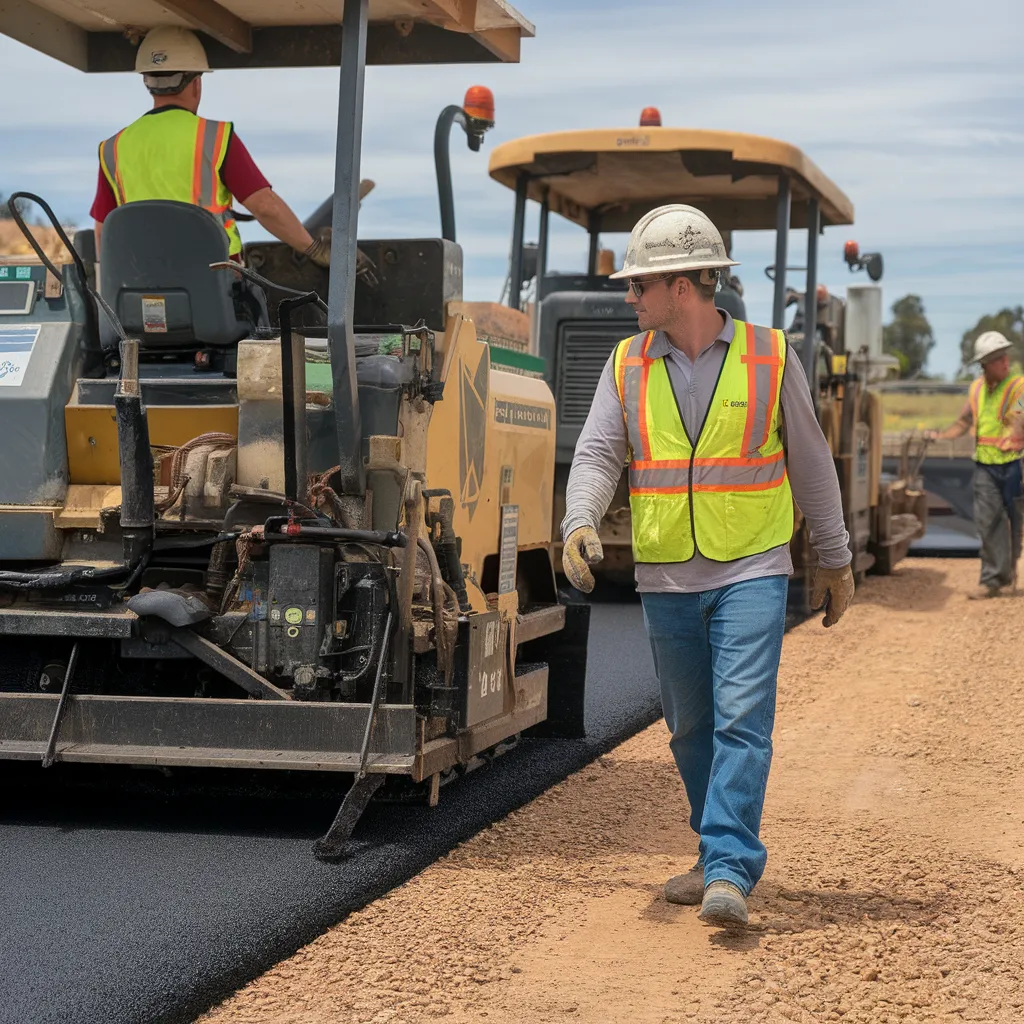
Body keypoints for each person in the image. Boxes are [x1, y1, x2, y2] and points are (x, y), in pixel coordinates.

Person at [560, 204, 854, 928]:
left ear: (683, 286)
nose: (628, 299)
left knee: (743, 721)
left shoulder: (770, 354)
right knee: (691, 727)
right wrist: (579, 521)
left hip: (751, 568)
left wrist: (837, 558)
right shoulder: (627, 363)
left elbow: (811, 460)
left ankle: (729, 866)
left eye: (639, 287)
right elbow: (600, 452)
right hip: (665, 576)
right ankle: (709, 847)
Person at [89, 26, 329, 267]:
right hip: (210, 281)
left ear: (148, 82)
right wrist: (313, 249)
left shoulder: (113, 147)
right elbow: (265, 207)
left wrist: (109, 290)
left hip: (138, 283)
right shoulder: (216, 137)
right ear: (196, 84)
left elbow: (103, 230)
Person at [925, 331, 1024, 598]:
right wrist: (940, 436)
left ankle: (1010, 570)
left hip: (1015, 465)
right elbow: (964, 422)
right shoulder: (977, 389)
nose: (1005, 362)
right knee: (988, 522)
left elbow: (1019, 418)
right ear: (985, 364)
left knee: (1015, 522)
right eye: (998, 359)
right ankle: (993, 579)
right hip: (985, 466)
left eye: (1005, 357)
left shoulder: (1018, 387)